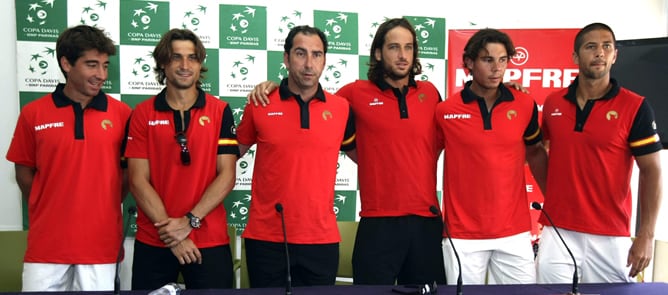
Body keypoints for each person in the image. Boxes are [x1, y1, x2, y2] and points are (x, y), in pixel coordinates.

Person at [248, 18, 447, 285]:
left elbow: (461, 128)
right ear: (378, 52)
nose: (402, 56)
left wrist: (510, 92)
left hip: (426, 220)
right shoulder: (352, 94)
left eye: (409, 47)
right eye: (394, 47)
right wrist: (271, 87)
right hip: (378, 222)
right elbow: (309, 97)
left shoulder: (431, 94)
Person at [6, 25, 132, 291]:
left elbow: (128, 174)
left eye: (105, 65)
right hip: (46, 247)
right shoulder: (33, 113)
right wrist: (51, 202)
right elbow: (24, 172)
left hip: (99, 247)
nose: (101, 74)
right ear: (66, 63)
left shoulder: (121, 114)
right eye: (91, 65)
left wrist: (101, 203)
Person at [536, 22, 662, 283]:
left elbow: (652, 170)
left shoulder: (635, 106)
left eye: (607, 47)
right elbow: (538, 151)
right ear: (575, 56)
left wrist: (646, 235)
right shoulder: (553, 102)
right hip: (557, 231)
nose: (600, 53)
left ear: (615, 55)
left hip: (610, 234)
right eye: (591, 46)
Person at [237, 25, 355, 288]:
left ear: (325, 60)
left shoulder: (342, 108)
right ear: (286, 58)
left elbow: (369, 158)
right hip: (266, 238)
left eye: (317, 54)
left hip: (321, 240)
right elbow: (227, 158)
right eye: (300, 54)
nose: (309, 63)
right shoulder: (260, 103)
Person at [125, 28, 239, 289]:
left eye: (193, 58)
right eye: (176, 57)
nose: (185, 65)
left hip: (208, 240)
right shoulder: (142, 114)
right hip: (155, 240)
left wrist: (188, 222)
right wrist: (174, 237)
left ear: (200, 64)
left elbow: (227, 175)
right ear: (163, 63)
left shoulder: (220, 111)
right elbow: (137, 180)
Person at [434, 28, 547, 285]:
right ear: (470, 63)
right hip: (463, 234)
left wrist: (554, 198)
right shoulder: (444, 110)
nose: (497, 68)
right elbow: (423, 158)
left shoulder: (524, 104)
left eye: (503, 60)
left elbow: (536, 152)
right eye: (488, 60)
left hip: (514, 232)